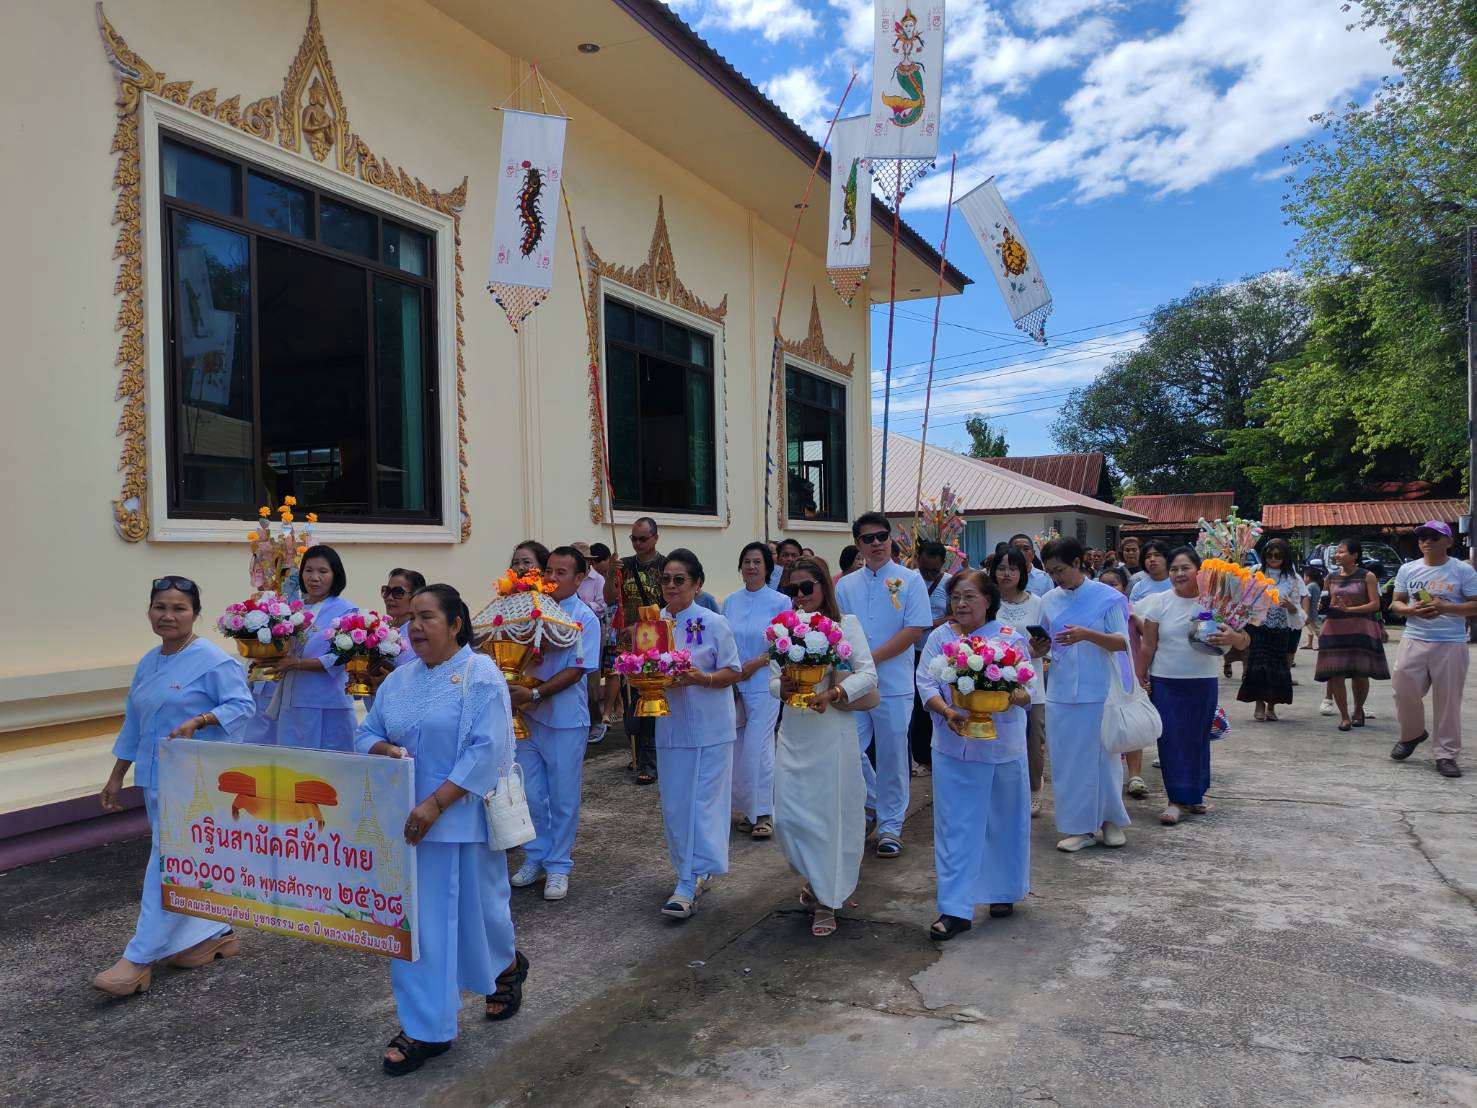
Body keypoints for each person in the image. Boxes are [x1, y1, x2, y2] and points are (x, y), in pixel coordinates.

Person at [356, 584, 526, 1076]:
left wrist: (436, 803)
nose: (414, 627)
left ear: (456, 624)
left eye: (427, 617)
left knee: (482, 919)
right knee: (419, 926)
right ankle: (426, 1027)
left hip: (461, 821)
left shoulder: (482, 677)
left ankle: (508, 967)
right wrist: (382, 750)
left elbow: (485, 750)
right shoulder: (400, 679)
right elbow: (368, 730)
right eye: (411, 618)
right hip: (408, 827)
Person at [92, 576, 256, 997]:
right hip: (153, 780)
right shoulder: (150, 661)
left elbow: (242, 706)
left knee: (166, 863)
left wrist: (200, 721)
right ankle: (212, 930)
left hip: (195, 783)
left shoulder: (213, 660)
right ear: (149, 611)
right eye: (160, 606)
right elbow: (135, 722)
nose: (168, 615)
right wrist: (116, 776)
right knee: (186, 861)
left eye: (179, 608)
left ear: (195, 614)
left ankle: (139, 957)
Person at [916, 572, 1038, 941]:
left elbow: (1028, 689)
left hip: (1003, 746)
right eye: (955, 597)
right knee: (955, 827)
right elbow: (925, 682)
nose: (961, 604)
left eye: (970, 596)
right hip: (954, 746)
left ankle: (1003, 892)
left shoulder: (1009, 638)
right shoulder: (940, 637)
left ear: (989, 600)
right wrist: (947, 710)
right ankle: (955, 908)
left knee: (1004, 821)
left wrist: (1004, 693)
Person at [771, 558, 877, 937]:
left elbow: (868, 673)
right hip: (796, 732)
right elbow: (772, 677)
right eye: (792, 589)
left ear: (823, 587)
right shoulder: (784, 628)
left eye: (806, 588)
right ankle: (816, 877)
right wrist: (779, 689)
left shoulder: (846, 625)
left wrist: (835, 692)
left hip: (832, 731)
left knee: (829, 818)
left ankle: (826, 899)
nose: (799, 597)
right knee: (788, 818)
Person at [836, 512, 933, 857]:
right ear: (857, 544)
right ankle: (872, 803)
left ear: (890, 538)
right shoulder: (845, 585)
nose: (876, 543)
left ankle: (891, 826)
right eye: (868, 538)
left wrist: (871, 660)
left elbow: (913, 630)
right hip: (855, 685)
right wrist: (856, 667)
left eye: (882, 536)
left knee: (893, 756)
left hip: (892, 683)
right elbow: (842, 632)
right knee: (849, 749)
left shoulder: (910, 580)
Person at [508, 547, 602, 900]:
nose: (552, 578)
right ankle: (536, 856)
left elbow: (577, 670)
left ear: (579, 579)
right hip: (527, 718)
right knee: (530, 794)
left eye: (562, 572)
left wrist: (534, 695)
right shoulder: (529, 608)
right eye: (548, 570)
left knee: (563, 797)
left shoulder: (585, 618)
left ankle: (559, 865)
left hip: (564, 720)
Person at [655, 550, 743, 918]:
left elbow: (733, 671)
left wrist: (700, 678)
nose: (672, 586)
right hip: (670, 725)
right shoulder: (653, 622)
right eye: (666, 580)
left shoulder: (712, 622)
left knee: (703, 806)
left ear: (697, 584)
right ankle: (688, 869)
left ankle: (689, 881)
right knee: (676, 806)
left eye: (680, 580)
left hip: (711, 729)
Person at [1136, 548, 1248, 825]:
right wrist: (1140, 676)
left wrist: (1232, 636)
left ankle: (1195, 795)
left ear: (1200, 571)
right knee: (1171, 740)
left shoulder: (1216, 602)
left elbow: (1244, 641)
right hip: (1166, 681)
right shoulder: (1158, 602)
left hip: (1202, 681)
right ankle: (1175, 800)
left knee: (1198, 739)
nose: (1179, 574)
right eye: (1174, 569)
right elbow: (1148, 644)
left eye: (1185, 568)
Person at [1039, 537, 1133, 853]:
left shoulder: (1107, 597)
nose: (1056, 577)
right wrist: (1037, 647)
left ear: (1078, 563)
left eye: (1060, 570)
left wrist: (1087, 635)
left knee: (1104, 761)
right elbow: (1044, 642)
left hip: (1099, 689)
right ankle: (1078, 828)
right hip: (1061, 691)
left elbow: (1123, 642)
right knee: (1068, 763)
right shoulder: (1049, 600)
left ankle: (1110, 821)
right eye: (1050, 571)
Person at [1389, 521, 1477, 778]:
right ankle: (1412, 734)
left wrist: (1446, 608)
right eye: (1423, 537)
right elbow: (1397, 603)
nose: (1427, 541)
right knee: (1403, 690)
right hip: (1415, 637)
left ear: (1448, 542)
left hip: (1450, 641)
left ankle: (1446, 754)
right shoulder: (1408, 569)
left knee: (1447, 700)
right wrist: (1410, 610)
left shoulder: (1463, 571)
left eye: (1434, 537)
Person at [252, 545, 357, 750]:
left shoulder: (347, 611)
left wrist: (297, 663)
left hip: (327, 703)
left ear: (336, 575)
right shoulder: (291, 608)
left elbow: (339, 658)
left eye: (323, 571)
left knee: (326, 768)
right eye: (308, 570)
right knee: (293, 767)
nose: (314, 577)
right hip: (291, 699)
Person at [722, 542, 792, 839]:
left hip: (765, 681)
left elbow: (784, 645)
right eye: (746, 561)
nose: (751, 567)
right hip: (735, 682)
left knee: (759, 746)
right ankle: (747, 810)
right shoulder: (731, 602)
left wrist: (757, 663)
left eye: (757, 562)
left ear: (767, 567)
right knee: (737, 746)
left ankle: (764, 812)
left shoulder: (780, 602)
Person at [990, 548, 1048, 817]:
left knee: (1033, 737)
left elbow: (1048, 644)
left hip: (1029, 681)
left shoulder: (1038, 603)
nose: (1007, 573)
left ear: (1023, 572)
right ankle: (1004, 790)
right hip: (993, 680)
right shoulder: (988, 602)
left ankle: (1034, 788)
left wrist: (1032, 652)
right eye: (1001, 568)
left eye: (1013, 568)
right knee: (998, 736)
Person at [607, 517, 664, 783]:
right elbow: (609, 598)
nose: (638, 544)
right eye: (634, 539)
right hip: (627, 643)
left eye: (643, 538)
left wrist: (643, 627)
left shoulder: (664, 567)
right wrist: (610, 573)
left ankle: (650, 760)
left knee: (650, 701)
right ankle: (638, 754)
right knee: (632, 702)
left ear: (655, 538)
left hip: (654, 643)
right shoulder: (625, 566)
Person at [1315, 540, 1389, 731]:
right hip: (1334, 629)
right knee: (1336, 673)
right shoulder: (1330, 578)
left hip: (1361, 629)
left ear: (1355, 555)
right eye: (1337, 552)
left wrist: (1350, 609)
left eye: (1341, 552)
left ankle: (1358, 711)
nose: (1337, 555)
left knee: (1360, 673)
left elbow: (1375, 605)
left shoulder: (1368, 576)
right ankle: (1344, 716)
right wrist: (1321, 607)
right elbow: (1327, 601)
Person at [1238, 539, 1305, 722]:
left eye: (1278, 555)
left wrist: (1291, 608)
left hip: (1280, 628)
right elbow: (1242, 595)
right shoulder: (1255, 572)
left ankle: (1271, 705)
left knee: (1277, 667)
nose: (1273, 559)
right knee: (1258, 665)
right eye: (1269, 555)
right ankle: (1259, 704)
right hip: (1258, 626)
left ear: (1285, 557)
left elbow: (1298, 610)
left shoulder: (1292, 578)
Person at [1098, 566, 1148, 798]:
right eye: (1103, 584)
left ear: (1124, 588)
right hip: (1104, 674)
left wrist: (1143, 672)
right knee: (1109, 725)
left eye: (1113, 585)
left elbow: (1148, 639)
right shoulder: (1094, 610)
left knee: (1131, 723)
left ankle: (1135, 775)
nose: (1108, 589)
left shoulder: (1130, 610)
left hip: (1128, 670)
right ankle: (1112, 775)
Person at [906, 541, 954, 772]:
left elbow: (953, 617)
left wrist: (924, 624)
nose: (928, 574)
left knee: (933, 703)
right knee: (913, 704)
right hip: (909, 651)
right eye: (924, 569)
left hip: (937, 654)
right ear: (917, 559)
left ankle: (929, 756)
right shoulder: (907, 579)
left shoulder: (948, 584)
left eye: (933, 571)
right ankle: (918, 755)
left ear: (942, 565)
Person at [1303, 565, 1325, 652]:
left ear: (1308, 577)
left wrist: (1306, 612)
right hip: (1314, 610)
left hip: (1310, 611)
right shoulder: (1316, 585)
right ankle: (1309, 644)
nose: (1303, 579)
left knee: (1316, 629)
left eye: (1304, 577)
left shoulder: (1309, 586)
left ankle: (1322, 644)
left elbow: (1307, 599)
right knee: (1310, 627)